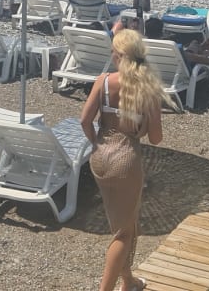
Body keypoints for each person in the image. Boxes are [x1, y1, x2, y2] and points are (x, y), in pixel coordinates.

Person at [80, 29, 162, 291]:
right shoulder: (147, 89)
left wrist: (97, 143)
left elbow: (85, 121)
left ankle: (128, 281)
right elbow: (156, 138)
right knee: (123, 233)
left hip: (100, 157)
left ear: (117, 55)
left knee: (125, 222)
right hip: (127, 160)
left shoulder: (103, 81)